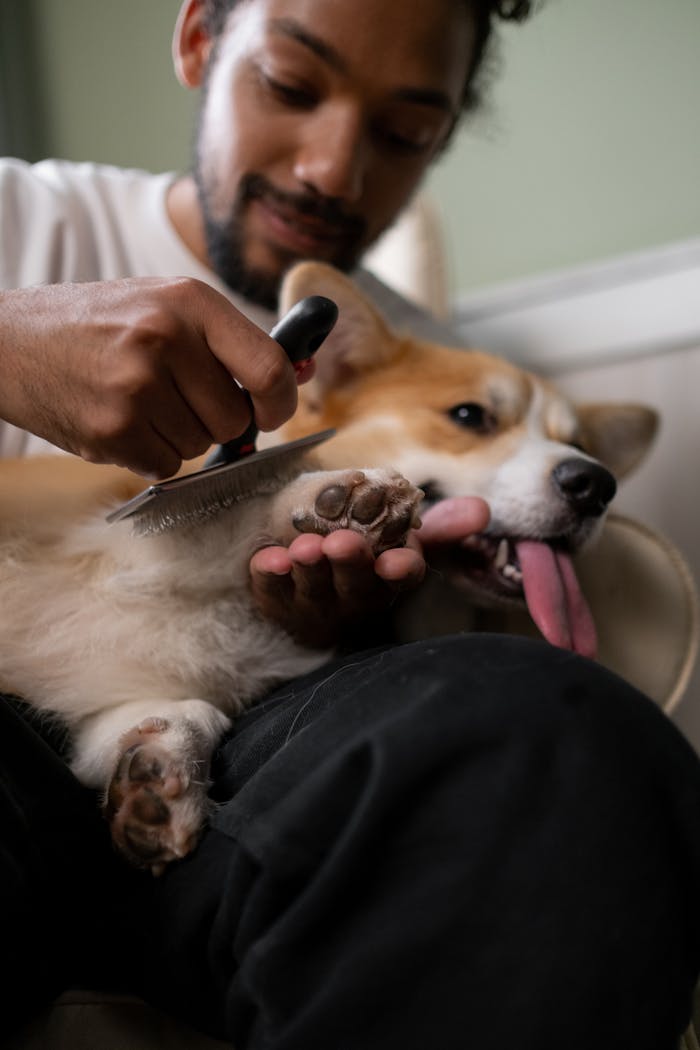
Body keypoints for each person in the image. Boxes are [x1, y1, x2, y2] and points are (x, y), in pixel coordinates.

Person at [1, 1, 699, 1047]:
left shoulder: (433, 356)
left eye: (406, 131)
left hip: (253, 752)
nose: (334, 170)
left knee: (555, 733)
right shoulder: (24, 214)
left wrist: (357, 622)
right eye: (291, 84)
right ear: (197, 41)